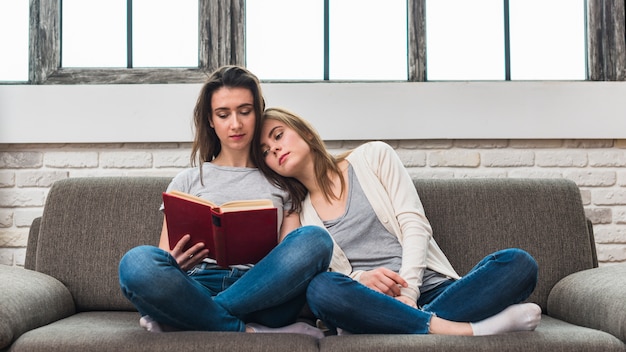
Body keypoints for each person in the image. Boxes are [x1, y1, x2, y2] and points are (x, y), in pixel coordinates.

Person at [257, 107, 542, 336]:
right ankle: (466, 329)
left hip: (430, 289)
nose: (274, 149)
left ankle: (406, 324)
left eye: (278, 136)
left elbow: (415, 225)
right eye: (266, 151)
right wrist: (360, 279)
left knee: (518, 263)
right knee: (321, 290)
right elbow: (303, 278)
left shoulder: (373, 157)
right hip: (370, 301)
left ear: (305, 132)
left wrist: (408, 293)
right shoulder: (301, 216)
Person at [118, 67, 332, 338]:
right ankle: (245, 330)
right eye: (223, 114)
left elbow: (289, 255)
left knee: (315, 240)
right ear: (210, 120)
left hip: (261, 294)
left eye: (245, 111)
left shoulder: (281, 181)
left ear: (258, 112)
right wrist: (175, 263)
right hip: (197, 285)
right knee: (136, 262)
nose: (236, 124)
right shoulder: (187, 181)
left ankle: (191, 319)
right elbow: (164, 256)